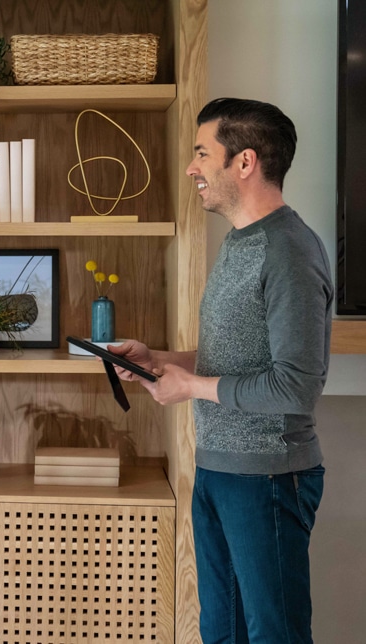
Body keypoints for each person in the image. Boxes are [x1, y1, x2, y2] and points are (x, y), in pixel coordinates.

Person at [111, 98, 331, 644]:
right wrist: (162, 361)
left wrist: (190, 387)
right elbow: (237, 358)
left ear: (245, 162)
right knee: (222, 633)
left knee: (273, 634)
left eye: (201, 153)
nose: (191, 168)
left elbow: (296, 387)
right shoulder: (240, 244)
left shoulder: (289, 252)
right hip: (219, 471)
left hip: (268, 478)